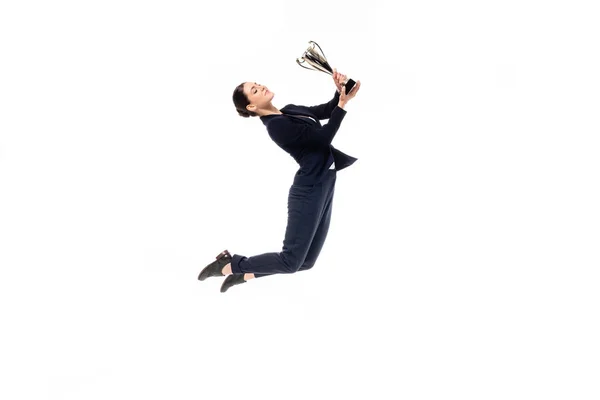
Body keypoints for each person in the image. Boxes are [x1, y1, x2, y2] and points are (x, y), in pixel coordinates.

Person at [198, 69, 361, 293]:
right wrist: (343, 105)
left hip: (325, 183)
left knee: (305, 262)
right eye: (254, 90)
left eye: (257, 83)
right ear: (252, 107)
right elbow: (322, 139)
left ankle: (246, 274)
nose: (261, 86)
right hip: (309, 191)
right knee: (290, 261)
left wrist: (339, 93)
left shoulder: (289, 111)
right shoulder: (276, 127)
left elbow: (324, 111)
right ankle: (230, 264)